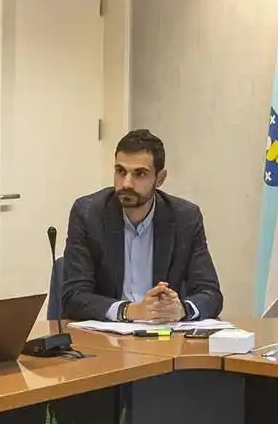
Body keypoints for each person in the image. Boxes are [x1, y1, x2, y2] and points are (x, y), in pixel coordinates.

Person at [60, 129, 223, 324]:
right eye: (120, 171)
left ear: (160, 179)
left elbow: (210, 294)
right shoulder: (88, 214)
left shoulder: (185, 218)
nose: (126, 183)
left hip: (163, 339)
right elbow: (74, 297)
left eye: (140, 174)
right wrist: (130, 310)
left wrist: (180, 309)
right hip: (107, 339)